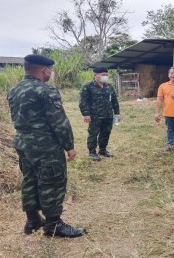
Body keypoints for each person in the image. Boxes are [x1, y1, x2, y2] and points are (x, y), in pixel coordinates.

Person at [7, 54, 85, 238]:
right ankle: (53, 225)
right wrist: (69, 146)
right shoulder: (45, 91)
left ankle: (32, 219)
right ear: (44, 70)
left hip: (23, 143)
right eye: (50, 70)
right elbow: (59, 122)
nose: (51, 73)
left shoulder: (14, 90)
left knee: (30, 178)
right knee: (52, 181)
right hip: (45, 145)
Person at [79, 67, 120, 161]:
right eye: (103, 74)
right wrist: (86, 114)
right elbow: (83, 102)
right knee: (93, 134)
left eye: (106, 75)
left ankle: (102, 150)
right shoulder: (88, 86)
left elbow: (114, 101)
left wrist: (117, 113)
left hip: (108, 115)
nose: (105, 77)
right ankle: (92, 152)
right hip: (94, 116)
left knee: (106, 133)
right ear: (95, 75)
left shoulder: (109, 86)